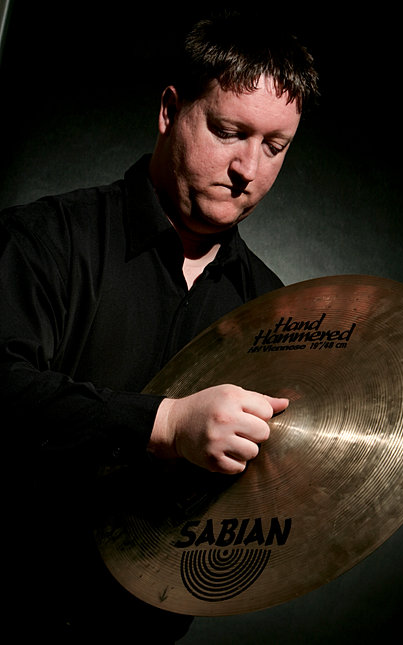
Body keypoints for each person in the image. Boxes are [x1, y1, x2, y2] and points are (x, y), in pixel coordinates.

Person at [0, 9, 319, 643]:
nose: (248, 168)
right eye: (229, 132)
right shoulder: (44, 240)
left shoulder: (274, 309)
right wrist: (165, 425)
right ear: (170, 111)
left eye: (274, 146)